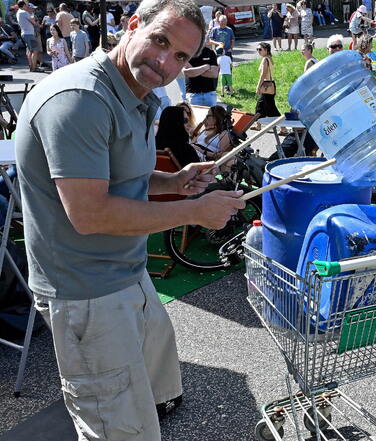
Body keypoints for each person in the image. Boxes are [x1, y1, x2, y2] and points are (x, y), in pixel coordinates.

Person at [14, 0, 246, 439]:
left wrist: (175, 181)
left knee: (149, 395)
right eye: (161, 41)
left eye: (181, 56)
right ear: (132, 24)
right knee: (115, 427)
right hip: (86, 291)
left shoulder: (137, 94)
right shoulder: (81, 99)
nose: (166, 63)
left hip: (127, 273)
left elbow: (121, 177)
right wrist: (194, 211)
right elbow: (89, 212)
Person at [254, 42, 281, 118]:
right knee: (262, 106)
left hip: (266, 85)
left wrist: (258, 86)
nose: (258, 51)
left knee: (269, 107)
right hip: (270, 84)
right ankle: (258, 124)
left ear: (266, 50)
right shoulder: (269, 58)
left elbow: (263, 74)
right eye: (257, 49)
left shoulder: (265, 59)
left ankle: (283, 127)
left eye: (260, 49)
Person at [16, 1, 42, 72]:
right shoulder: (24, 12)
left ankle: (31, 66)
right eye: (26, 5)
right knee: (35, 50)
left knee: (29, 51)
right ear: (23, 5)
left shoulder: (19, 12)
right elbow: (34, 22)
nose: (27, 6)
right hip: (29, 34)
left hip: (25, 33)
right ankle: (34, 68)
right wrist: (34, 19)